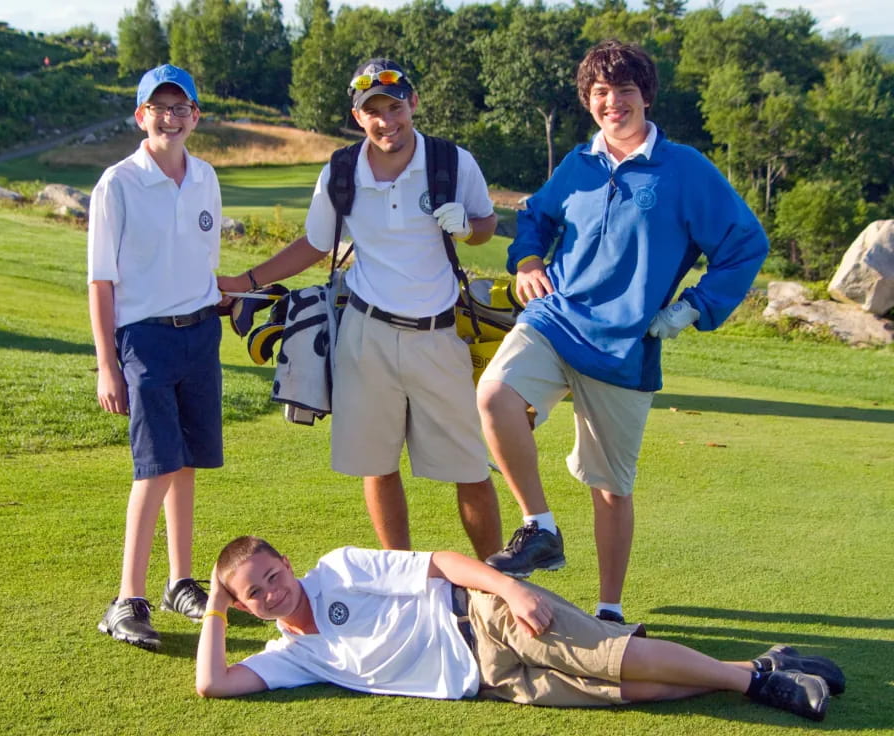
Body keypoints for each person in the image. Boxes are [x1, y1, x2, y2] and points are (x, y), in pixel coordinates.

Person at [476, 40, 770, 624]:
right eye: (601, 93)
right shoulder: (579, 164)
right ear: (589, 100)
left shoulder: (684, 168)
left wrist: (694, 307)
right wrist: (529, 261)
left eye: (625, 91)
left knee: (610, 487)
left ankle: (609, 610)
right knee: (492, 395)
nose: (613, 103)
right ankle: (540, 527)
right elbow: (536, 215)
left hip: (626, 348)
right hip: (555, 319)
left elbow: (745, 244)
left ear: (645, 96)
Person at [217, 59, 501, 560]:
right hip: (365, 334)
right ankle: (402, 579)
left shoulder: (453, 162)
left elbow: (485, 224)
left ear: (413, 103)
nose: (386, 120)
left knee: (470, 470)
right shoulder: (341, 170)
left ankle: (500, 584)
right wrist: (247, 281)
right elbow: (314, 243)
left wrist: (468, 227)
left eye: (395, 107)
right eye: (374, 111)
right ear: (357, 116)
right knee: (378, 464)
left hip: (438, 335)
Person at [194, 535, 843, 723]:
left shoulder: (337, 570)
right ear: (247, 607)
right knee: (630, 689)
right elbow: (214, 685)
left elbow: (437, 563)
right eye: (256, 593)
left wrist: (507, 587)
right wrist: (215, 606)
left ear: (286, 562)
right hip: (486, 682)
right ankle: (769, 662)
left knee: (613, 659)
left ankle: (758, 681)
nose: (274, 591)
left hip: (484, 615)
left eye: (273, 575)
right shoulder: (292, 656)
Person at [88, 64, 224, 650]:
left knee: (187, 460)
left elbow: (201, 262)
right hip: (144, 339)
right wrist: (107, 364)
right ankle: (127, 599)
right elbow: (101, 282)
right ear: (141, 116)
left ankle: (179, 582)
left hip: (200, 336)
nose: (170, 117)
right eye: (158, 108)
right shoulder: (116, 184)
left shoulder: (207, 178)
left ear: (195, 115)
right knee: (155, 466)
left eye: (181, 107)